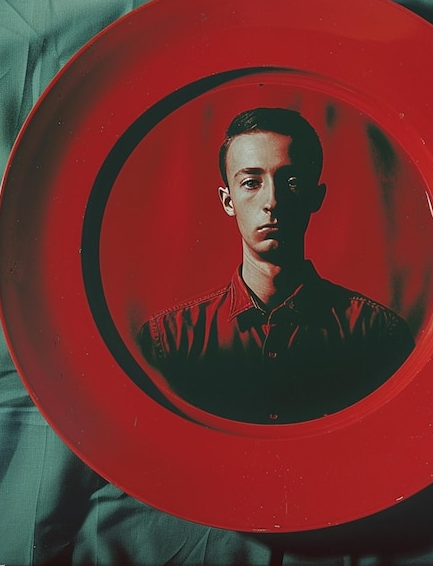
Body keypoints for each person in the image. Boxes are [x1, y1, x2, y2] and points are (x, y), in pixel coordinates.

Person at [138, 107, 414, 423]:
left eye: (291, 180)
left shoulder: (376, 335)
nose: (273, 201)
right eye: (252, 182)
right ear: (228, 201)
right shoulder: (170, 342)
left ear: (316, 196)